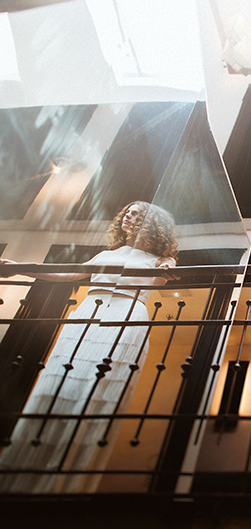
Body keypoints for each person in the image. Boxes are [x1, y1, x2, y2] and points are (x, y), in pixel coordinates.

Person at [0, 201, 178, 494]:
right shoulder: (107, 254)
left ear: (152, 223)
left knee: (99, 387)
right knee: (60, 380)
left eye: (136, 213)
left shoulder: (160, 259)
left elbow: (162, 275)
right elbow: (65, 274)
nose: (128, 215)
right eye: (127, 211)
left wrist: (168, 263)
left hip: (126, 314)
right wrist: (21, 268)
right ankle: (24, 470)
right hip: (88, 313)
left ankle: (68, 480)